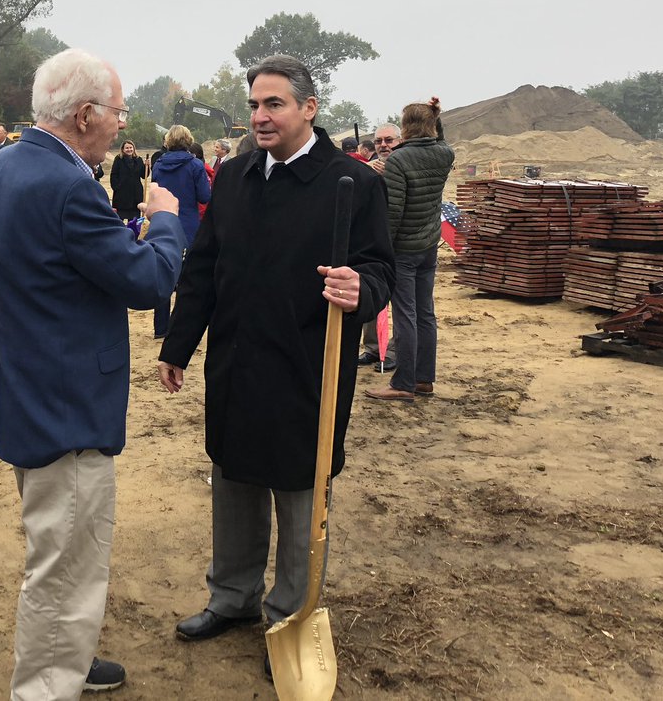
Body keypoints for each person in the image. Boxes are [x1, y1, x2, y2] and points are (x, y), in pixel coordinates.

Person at [157, 55, 394, 679]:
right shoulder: (233, 177)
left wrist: (359, 288)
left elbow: (380, 269)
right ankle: (232, 597)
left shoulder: (353, 183)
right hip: (236, 359)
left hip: (306, 365)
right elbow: (203, 267)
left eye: (275, 105)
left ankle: (290, 614)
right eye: (255, 106)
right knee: (233, 479)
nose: (260, 117)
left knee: (298, 489)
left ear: (309, 109)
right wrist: (177, 344)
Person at [0, 48, 185, 698]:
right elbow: (149, 280)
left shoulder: (11, 163)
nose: (123, 123)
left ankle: (68, 652)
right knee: (65, 562)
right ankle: (45, 684)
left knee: (61, 548)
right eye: (119, 111)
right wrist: (166, 222)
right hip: (61, 402)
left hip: (28, 387)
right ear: (87, 114)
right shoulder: (66, 184)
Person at [364, 98, 454, 402]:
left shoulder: (400, 161)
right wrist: (436, 118)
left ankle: (403, 382)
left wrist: (381, 250)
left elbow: (394, 213)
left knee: (405, 315)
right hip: (429, 245)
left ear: (404, 129)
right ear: (431, 125)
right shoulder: (445, 154)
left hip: (403, 249)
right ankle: (424, 379)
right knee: (425, 313)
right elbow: (439, 139)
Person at [150, 125, 211, 338]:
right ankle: (180, 328)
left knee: (164, 273)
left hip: (163, 223)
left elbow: (154, 190)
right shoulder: (195, 165)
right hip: (187, 226)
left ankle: (160, 327)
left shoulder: (158, 164)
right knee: (187, 280)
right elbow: (205, 196)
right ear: (188, 140)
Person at [358, 123, 402, 368]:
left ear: (400, 140)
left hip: (402, 244)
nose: (383, 145)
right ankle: (373, 348)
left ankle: (393, 352)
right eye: (379, 141)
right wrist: (366, 168)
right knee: (373, 296)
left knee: (401, 304)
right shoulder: (369, 167)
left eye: (389, 140)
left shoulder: (406, 165)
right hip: (374, 243)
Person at [109, 140, 145, 221]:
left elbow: (143, 175)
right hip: (121, 195)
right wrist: (116, 187)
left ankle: (133, 233)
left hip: (135, 194)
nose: (129, 150)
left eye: (131, 148)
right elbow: (114, 174)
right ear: (123, 149)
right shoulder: (118, 159)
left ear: (134, 148)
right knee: (119, 219)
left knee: (134, 221)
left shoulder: (138, 160)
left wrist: (147, 166)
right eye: (127, 148)